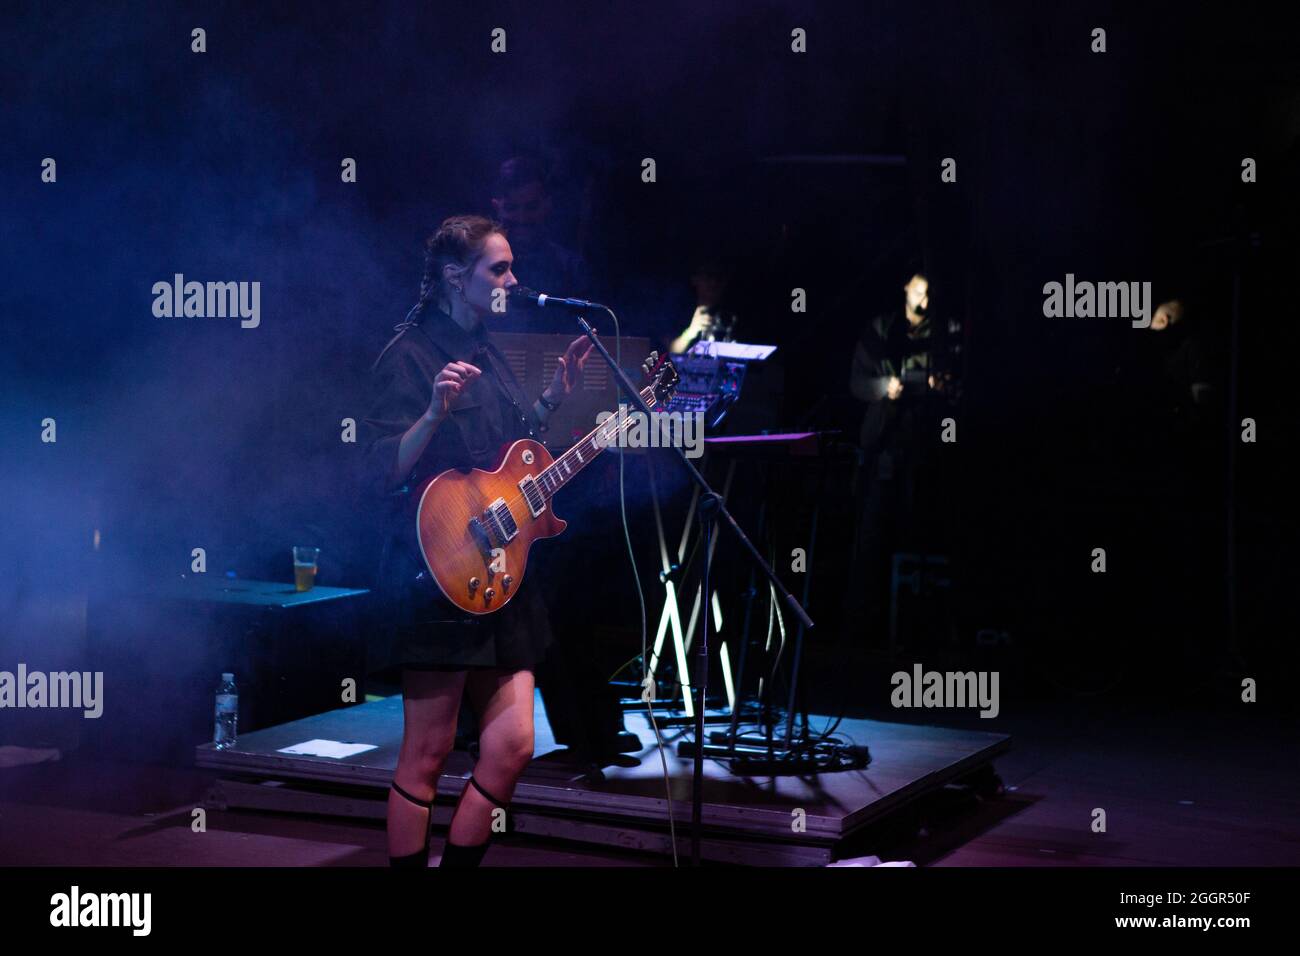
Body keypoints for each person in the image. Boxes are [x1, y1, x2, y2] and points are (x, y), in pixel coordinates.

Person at [360, 215, 593, 867]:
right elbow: (378, 468)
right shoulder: (406, 355)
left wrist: (551, 399)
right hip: (438, 570)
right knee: (428, 753)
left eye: (512, 268)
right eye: (500, 269)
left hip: (502, 572)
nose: (514, 281)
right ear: (456, 279)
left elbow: (511, 455)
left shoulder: (489, 350)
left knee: (513, 746)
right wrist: (432, 412)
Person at [847, 272, 943, 638]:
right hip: (882, 445)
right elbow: (857, 384)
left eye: (932, 291)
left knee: (917, 533)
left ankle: (913, 630)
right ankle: (861, 627)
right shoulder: (879, 331)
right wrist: (884, 387)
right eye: (921, 288)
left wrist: (937, 386)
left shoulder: (945, 334)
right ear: (906, 286)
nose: (926, 298)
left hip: (925, 447)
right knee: (870, 536)